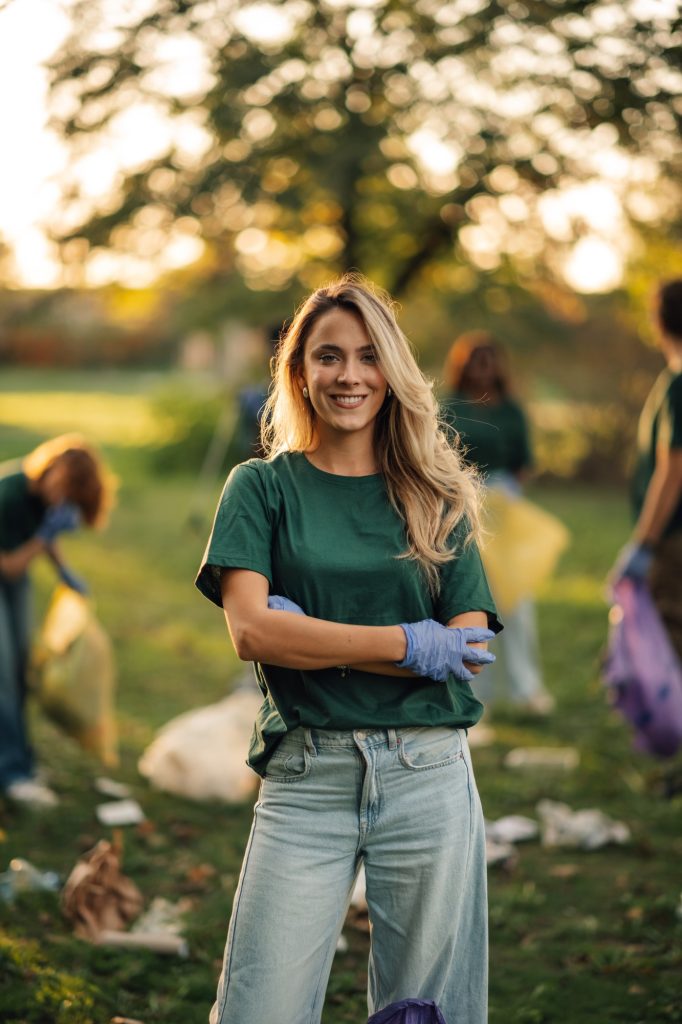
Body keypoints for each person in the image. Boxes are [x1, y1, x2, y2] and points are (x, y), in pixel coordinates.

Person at [196, 276, 502, 1024]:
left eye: (368, 356)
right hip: (308, 776)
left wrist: (312, 636)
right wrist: (407, 642)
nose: (350, 375)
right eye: (329, 356)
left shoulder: (439, 494)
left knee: (423, 1014)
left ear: (392, 370)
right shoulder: (260, 489)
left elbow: (464, 649)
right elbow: (251, 634)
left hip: (427, 775)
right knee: (257, 1010)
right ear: (299, 370)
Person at [440, 331, 554, 715]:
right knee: (471, 595)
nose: (483, 367)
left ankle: (526, 688)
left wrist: (504, 498)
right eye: (476, 359)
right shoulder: (449, 405)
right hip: (460, 502)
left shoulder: (511, 410)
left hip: (504, 503)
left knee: (515, 599)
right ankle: (476, 690)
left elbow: (525, 463)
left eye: (489, 358)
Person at [0, 435, 114, 808]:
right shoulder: (9, 494)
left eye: (70, 498)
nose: (61, 500)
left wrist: (64, 569)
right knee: (2, 677)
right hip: (8, 570)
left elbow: (38, 543)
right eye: (62, 490)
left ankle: (22, 761)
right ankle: (13, 775)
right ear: (50, 468)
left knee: (20, 668)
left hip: (13, 578)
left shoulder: (43, 496)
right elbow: (12, 565)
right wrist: (43, 535)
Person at [611, 279, 682, 661]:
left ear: (659, 321)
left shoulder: (679, 384)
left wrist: (644, 543)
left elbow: (673, 472)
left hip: (674, 540)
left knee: (671, 645)